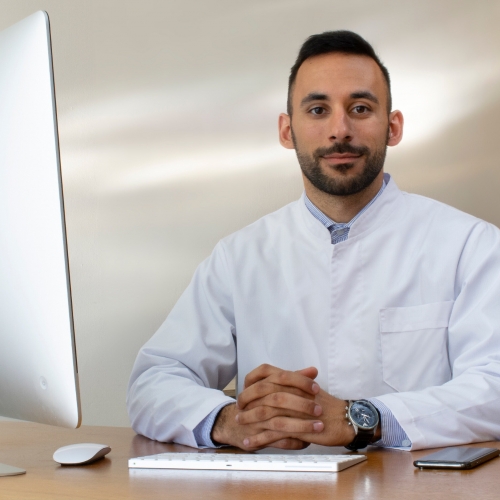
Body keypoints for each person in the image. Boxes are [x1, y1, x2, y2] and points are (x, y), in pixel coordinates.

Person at [127, 31, 500, 452]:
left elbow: (494, 387)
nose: (340, 130)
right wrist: (230, 421)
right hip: (277, 485)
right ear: (287, 131)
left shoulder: (472, 247)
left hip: (414, 484)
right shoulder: (240, 256)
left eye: (360, 108)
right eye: (318, 110)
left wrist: (364, 419)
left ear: (393, 127)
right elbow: (153, 382)